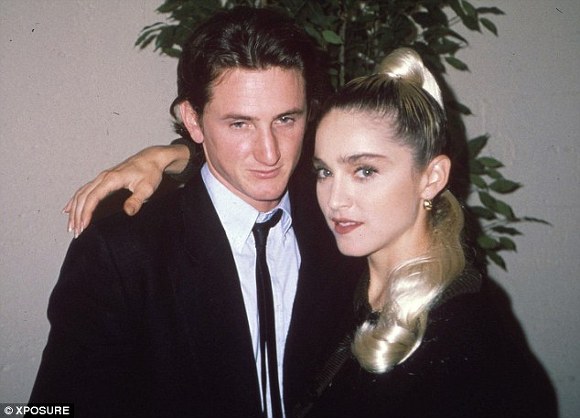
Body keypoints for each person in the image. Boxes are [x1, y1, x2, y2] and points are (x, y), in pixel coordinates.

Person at [62, 46, 558, 418]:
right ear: (194, 121)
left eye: (286, 119)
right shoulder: (343, 246)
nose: (335, 198)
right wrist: (177, 156)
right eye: (324, 171)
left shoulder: (465, 326)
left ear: (433, 177)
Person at [30, 7, 362, 418]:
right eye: (240, 124)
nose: (269, 152)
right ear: (193, 120)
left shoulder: (343, 222)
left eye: (285, 120)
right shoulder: (121, 255)